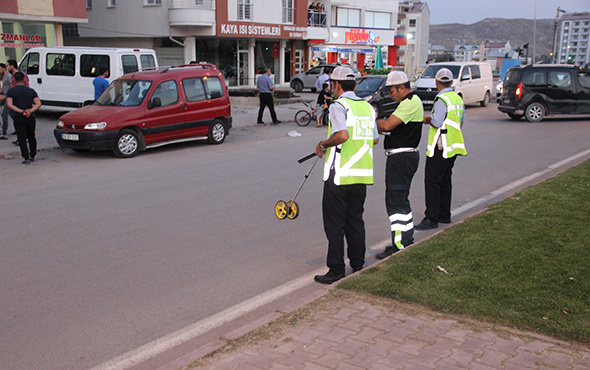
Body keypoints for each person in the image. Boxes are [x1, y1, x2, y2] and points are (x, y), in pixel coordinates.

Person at [313, 66, 379, 285]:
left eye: (332, 84)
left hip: (339, 175)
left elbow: (342, 134)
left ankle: (336, 269)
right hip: (361, 174)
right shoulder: (368, 108)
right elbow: (375, 139)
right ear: (355, 85)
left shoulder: (338, 106)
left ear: (336, 85)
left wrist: (323, 143)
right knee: (355, 220)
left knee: (334, 224)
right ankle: (358, 262)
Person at [375, 71, 424, 259]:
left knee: (395, 203)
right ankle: (406, 237)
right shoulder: (410, 102)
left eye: (392, 91)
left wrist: (370, 122)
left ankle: (398, 244)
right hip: (404, 157)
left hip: (401, 158)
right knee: (401, 200)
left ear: (402, 88)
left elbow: (387, 126)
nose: (390, 95)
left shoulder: (410, 103)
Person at [415, 68, 467, 230]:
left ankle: (431, 218)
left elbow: (437, 122)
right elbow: (461, 121)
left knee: (432, 182)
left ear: (436, 83)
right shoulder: (457, 98)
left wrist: (427, 119)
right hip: (453, 145)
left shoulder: (441, 99)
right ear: (451, 83)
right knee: (445, 180)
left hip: (440, 146)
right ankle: (444, 214)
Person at [6, 72, 41, 164]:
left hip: (18, 116)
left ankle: (26, 157)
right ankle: (33, 154)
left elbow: (9, 104)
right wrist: (30, 111)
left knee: (22, 137)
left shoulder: (11, 91)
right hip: (30, 117)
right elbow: (38, 103)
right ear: (24, 79)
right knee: (31, 136)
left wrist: (21, 111)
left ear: (14, 80)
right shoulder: (31, 91)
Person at [0, 63, 12, 139]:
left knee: (4, 114)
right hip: (4, 97)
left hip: (8, 98)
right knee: (12, 114)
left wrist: (6, 96)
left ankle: (4, 132)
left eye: (0, 69)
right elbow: (3, 88)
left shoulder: (8, 76)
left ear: (4, 68)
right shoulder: (3, 77)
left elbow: (11, 88)